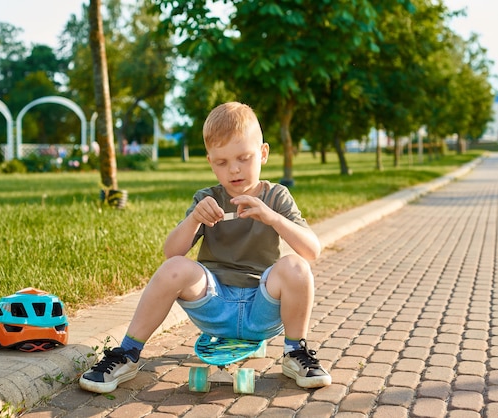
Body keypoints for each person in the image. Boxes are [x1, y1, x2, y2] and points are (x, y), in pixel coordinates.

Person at [79, 102, 332, 393]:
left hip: (262, 308)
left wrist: (273, 218)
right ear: (211, 162)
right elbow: (171, 254)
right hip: (215, 305)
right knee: (174, 268)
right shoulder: (207, 199)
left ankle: (294, 352)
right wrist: (194, 221)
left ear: (263, 154)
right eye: (221, 162)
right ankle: (127, 353)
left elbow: (312, 251)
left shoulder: (276, 196)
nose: (234, 169)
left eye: (243, 158)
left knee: (296, 266)